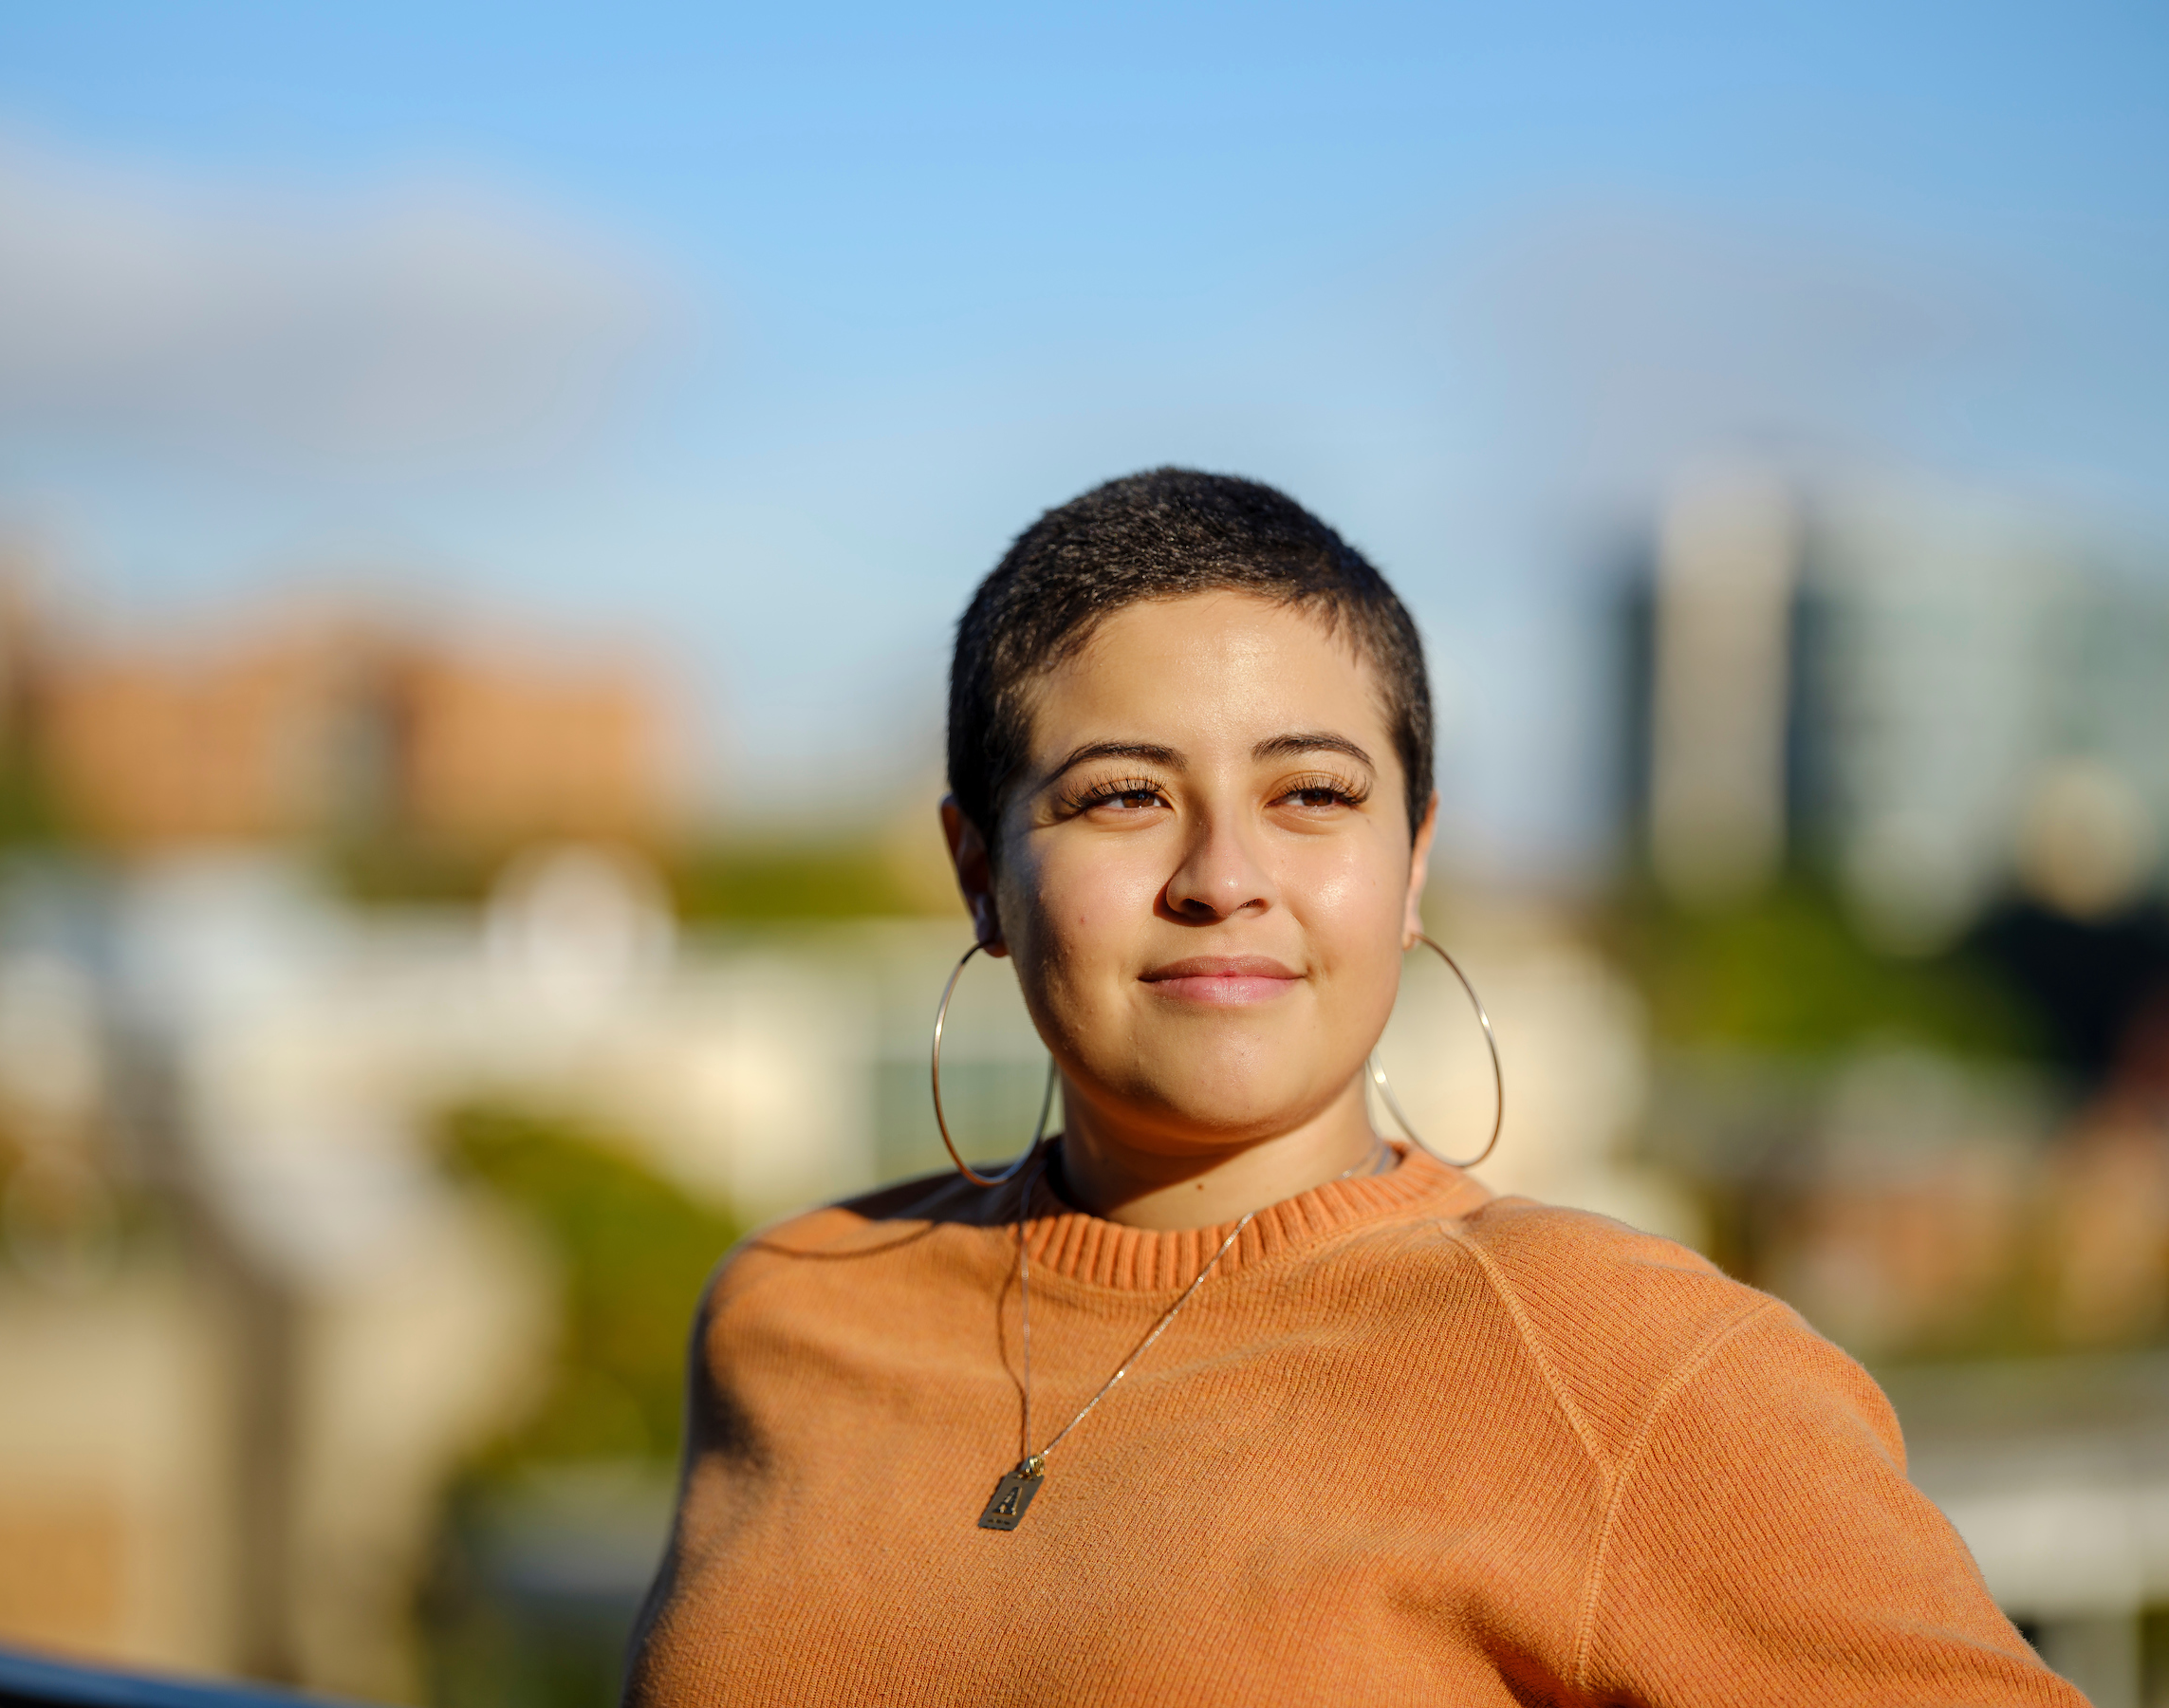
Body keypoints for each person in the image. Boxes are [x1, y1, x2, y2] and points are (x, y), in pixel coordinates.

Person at [627, 469, 2081, 1705]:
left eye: (1310, 793)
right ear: (978, 871)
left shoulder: (1628, 1371)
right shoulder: (791, 1310)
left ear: (1415, 862)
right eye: (1123, 795)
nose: (1224, 880)